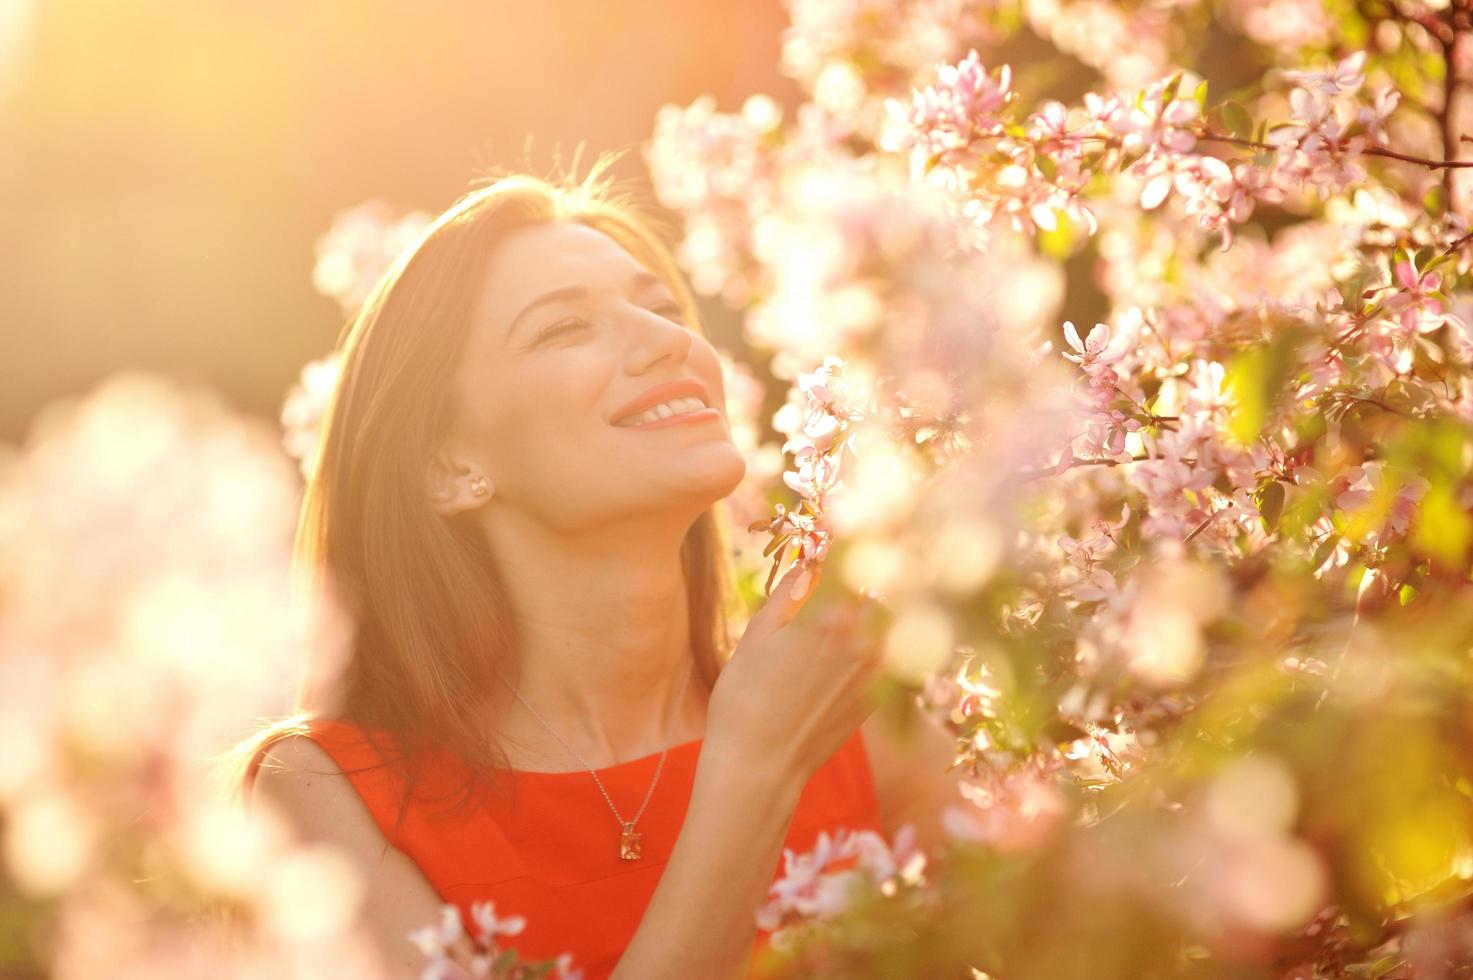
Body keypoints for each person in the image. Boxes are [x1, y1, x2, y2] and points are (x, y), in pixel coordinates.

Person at [218, 157, 965, 979]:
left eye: (660, 308)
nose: (668, 341)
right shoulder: (326, 796)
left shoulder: (850, 714)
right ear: (446, 463)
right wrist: (753, 770)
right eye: (563, 328)